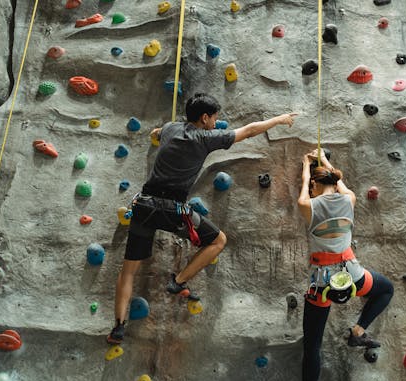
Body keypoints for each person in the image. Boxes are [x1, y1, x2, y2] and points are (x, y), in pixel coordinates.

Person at [107, 93, 297, 344]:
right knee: (218, 240)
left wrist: (159, 135)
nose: (216, 122)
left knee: (128, 271)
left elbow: (155, 134)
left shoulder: (171, 128)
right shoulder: (206, 139)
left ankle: (118, 327)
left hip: (145, 206)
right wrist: (280, 119)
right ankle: (178, 280)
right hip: (173, 210)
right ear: (205, 118)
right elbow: (250, 131)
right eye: (214, 118)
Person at [282, 149, 394, 381]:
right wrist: (325, 160)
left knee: (313, 347)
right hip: (353, 276)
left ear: (315, 185)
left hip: (322, 285)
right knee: (385, 289)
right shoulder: (350, 199)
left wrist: (306, 164)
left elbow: (306, 189)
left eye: (312, 184)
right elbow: (340, 185)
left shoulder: (307, 206)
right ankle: (358, 331)